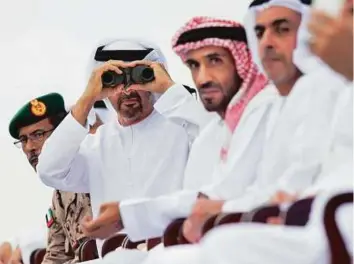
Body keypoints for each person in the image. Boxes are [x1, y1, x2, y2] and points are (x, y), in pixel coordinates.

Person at [140, 0, 353, 264]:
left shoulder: (316, 89)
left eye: (282, 29)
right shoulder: (294, 97)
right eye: (260, 32)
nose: (267, 43)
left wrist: (288, 204)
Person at [79, 17, 277, 243]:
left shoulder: (264, 110)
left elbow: (231, 197)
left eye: (215, 61)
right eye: (194, 65)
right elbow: (209, 196)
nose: (203, 78)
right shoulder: (223, 124)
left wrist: (168, 90)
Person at [36, 39, 204, 254]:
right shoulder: (96, 145)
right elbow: (49, 171)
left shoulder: (181, 129)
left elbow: (215, 143)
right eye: (113, 81)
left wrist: (169, 90)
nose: (127, 91)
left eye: (138, 78)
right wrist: (86, 100)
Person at [5, 93, 100, 264]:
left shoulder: (96, 167)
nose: (29, 148)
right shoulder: (59, 197)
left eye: (38, 135)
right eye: (24, 139)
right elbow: (56, 255)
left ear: (62, 135)